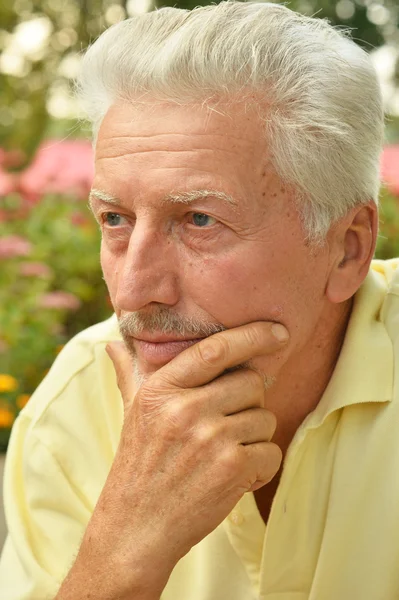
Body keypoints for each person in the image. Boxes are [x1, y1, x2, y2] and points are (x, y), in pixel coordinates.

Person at [1, 2, 398, 598]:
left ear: (345, 249)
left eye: (200, 219)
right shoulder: (73, 409)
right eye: (114, 218)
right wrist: (124, 547)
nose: (133, 291)